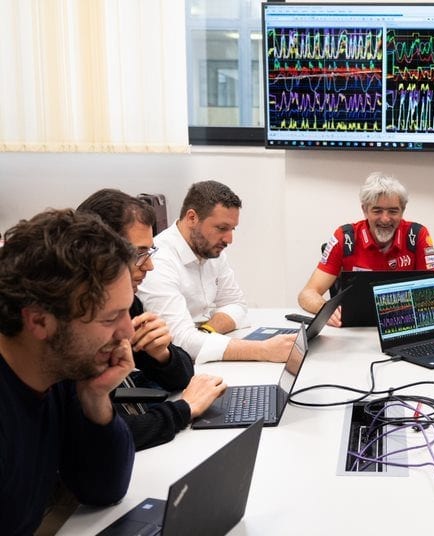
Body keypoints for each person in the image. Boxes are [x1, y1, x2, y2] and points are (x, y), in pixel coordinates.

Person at [0, 209, 136, 535]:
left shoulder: (57, 368)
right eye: (110, 318)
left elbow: (103, 489)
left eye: (127, 311)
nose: (128, 332)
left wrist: (95, 400)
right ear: (39, 321)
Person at [78, 189, 227, 450]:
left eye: (150, 252)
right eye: (139, 254)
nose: (149, 266)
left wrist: (162, 355)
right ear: (95, 254)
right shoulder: (71, 329)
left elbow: (181, 376)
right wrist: (184, 409)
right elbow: (106, 437)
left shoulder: (126, 303)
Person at [138, 180, 295, 364]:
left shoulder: (211, 249)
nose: (229, 239)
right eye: (222, 228)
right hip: (171, 372)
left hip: (202, 358)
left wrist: (207, 331)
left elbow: (236, 304)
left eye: (232, 229)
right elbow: (180, 342)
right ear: (192, 218)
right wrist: (263, 350)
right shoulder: (159, 261)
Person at [298, 172, 434, 326]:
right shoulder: (345, 237)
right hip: (353, 331)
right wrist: (325, 308)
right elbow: (307, 294)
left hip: (403, 326)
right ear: (365, 210)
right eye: (377, 211)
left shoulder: (418, 234)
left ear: (403, 210)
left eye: (393, 211)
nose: (385, 219)